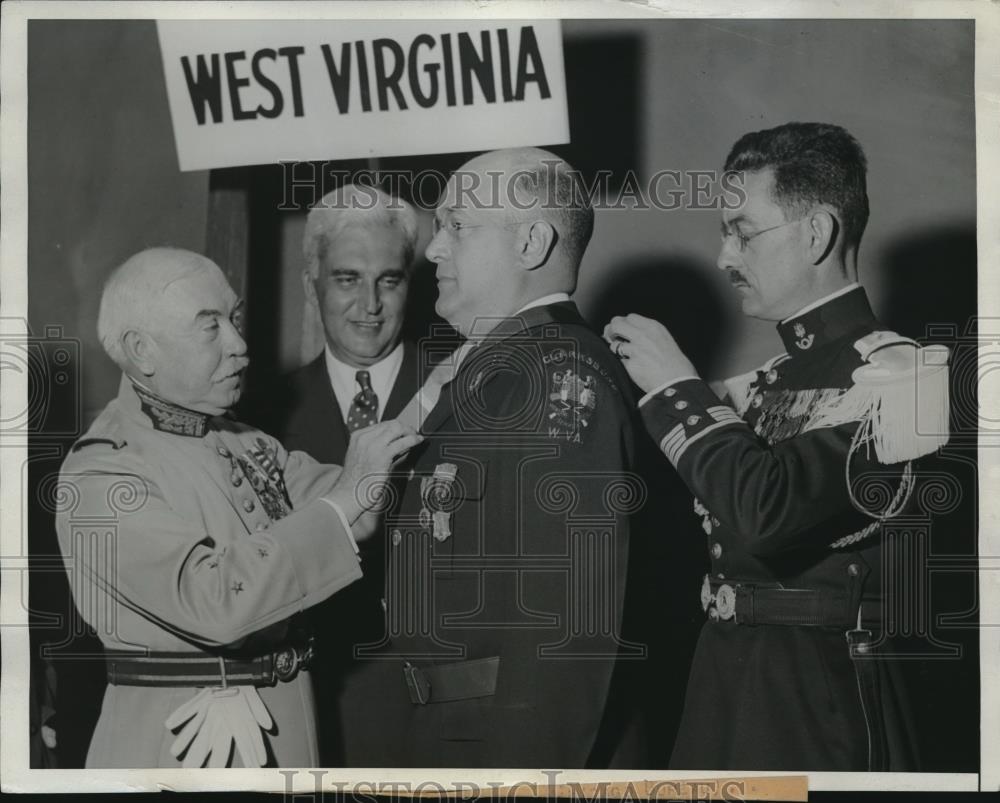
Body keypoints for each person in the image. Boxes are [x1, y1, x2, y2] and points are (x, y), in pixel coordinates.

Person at [605, 122, 950, 771]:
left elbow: (768, 513)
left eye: (743, 231)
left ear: (816, 233)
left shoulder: (903, 378)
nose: (724, 257)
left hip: (816, 704)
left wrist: (676, 388)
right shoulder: (759, 384)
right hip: (721, 690)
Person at [54, 247, 420, 768]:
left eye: (236, 319)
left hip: (288, 734)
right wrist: (345, 499)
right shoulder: (103, 474)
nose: (240, 345)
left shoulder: (247, 442)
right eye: (211, 327)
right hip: (181, 749)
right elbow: (214, 602)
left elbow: (358, 507)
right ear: (142, 351)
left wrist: (434, 396)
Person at [364, 148, 640, 768]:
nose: (433, 250)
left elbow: (567, 627)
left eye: (457, 226)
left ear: (531, 243)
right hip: (445, 732)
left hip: (505, 745)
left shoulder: (561, 374)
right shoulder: (495, 371)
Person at [246, 184, 424, 766]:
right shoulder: (258, 415)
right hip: (305, 704)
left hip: (431, 713)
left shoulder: (461, 391)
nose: (369, 304)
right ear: (311, 285)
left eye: (389, 280)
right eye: (347, 279)